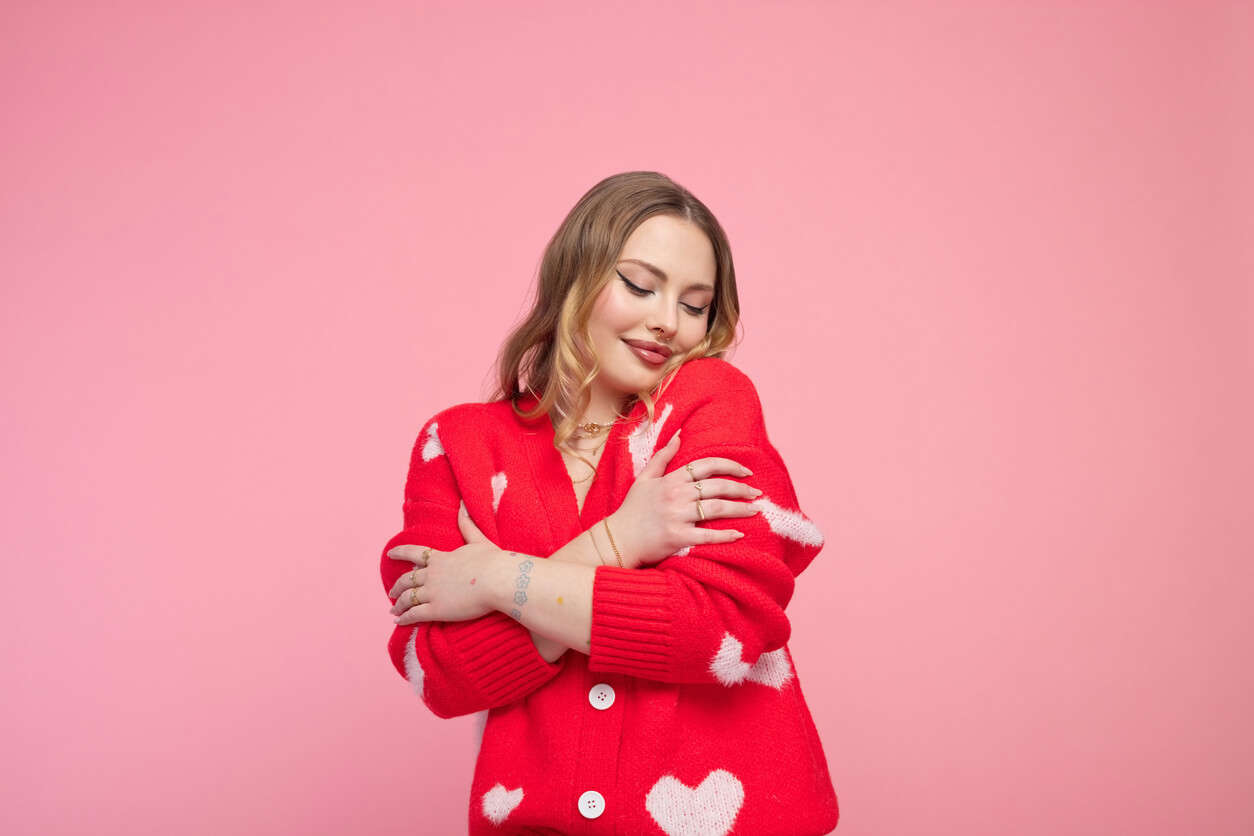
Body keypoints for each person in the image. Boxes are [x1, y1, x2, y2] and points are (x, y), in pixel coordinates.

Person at [380, 171, 840, 835]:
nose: (666, 321)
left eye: (695, 304)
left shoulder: (712, 405)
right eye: (639, 284)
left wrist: (491, 576)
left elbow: (721, 630)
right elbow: (442, 670)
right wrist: (620, 542)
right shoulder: (458, 446)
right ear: (576, 277)